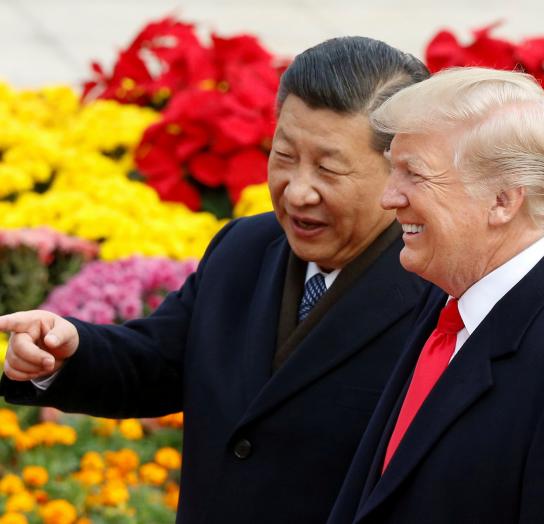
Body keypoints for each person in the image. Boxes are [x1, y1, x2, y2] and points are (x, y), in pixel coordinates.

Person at [0, 37, 430, 523]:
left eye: (328, 169)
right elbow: (159, 361)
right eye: (284, 156)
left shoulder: (437, 292)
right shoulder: (244, 249)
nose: (298, 190)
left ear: (401, 170)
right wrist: (66, 351)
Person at [327, 67, 544, 524]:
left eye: (413, 174)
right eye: (393, 169)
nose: (389, 197)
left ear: (503, 200)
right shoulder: (456, 290)